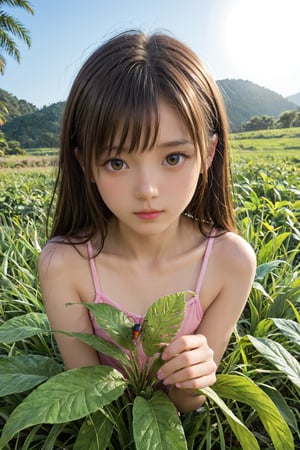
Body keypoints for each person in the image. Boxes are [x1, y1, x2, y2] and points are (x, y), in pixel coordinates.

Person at [38, 30, 256, 413]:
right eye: (117, 163)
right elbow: (90, 405)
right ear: (85, 163)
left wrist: (194, 380)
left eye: (173, 158)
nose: (148, 190)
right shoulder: (65, 264)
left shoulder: (231, 262)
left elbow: (185, 406)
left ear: (207, 154)